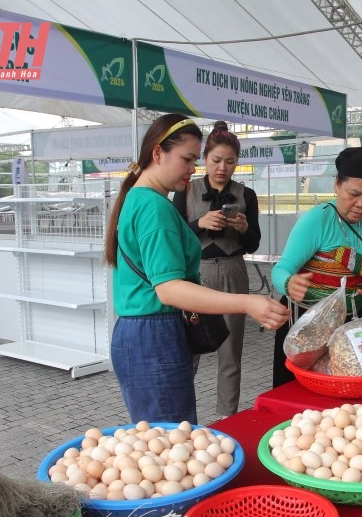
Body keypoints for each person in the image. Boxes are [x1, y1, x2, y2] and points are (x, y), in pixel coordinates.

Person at [103, 113, 289, 424]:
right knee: (171, 441)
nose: (193, 169)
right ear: (158, 153)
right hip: (154, 334)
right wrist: (247, 302)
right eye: (188, 159)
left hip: (141, 332)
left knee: (161, 437)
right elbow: (169, 289)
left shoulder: (139, 199)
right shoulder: (154, 206)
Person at [270, 146, 362, 387]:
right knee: (298, 393)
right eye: (354, 193)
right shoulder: (317, 220)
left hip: (351, 326)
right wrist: (289, 283)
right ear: (337, 184)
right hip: (306, 325)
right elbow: (280, 269)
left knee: (344, 389)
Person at [172, 121, 260, 419]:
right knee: (190, 349)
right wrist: (200, 224)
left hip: (234, 271)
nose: (223, 168)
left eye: (230, 161)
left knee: (230, 352)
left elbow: (253, 244)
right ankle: (182, 418)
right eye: (216, 160)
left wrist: (245, 227)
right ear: (205, 159)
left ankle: (228, 418)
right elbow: (173, 234)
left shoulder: (246, 195)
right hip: (196, 274)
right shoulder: (186, 190)